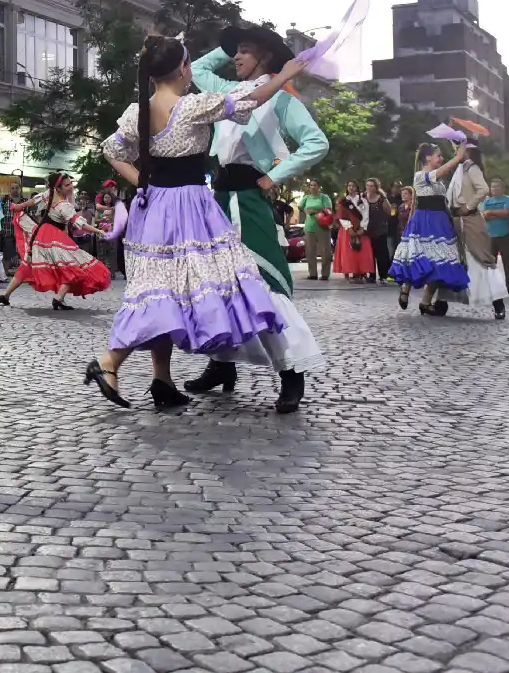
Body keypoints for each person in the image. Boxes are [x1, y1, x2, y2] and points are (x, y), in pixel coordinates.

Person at [86, 35, 309, 411]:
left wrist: (143, 181)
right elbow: (250, 100)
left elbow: (112, 150)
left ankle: (160, 379)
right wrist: (284, 73)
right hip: (190, 204)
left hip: (154, 204)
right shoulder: (191, 107)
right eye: (188, 64)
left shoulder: (137, 110)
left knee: (160, 289)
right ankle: (111, 361)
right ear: (181, 70)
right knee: (217, 277)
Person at [182, 25, 328, 412]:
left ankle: (291, 372)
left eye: (245, 50)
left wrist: (274, 175)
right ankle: (222, 365)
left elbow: (317, 142)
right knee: (217, 284)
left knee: (264, 284)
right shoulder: (228, 91)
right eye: (236, 51)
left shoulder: (280, 97)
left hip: (249, 199)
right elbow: (194, 69)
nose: (236, 56)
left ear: (265, 56)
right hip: (220, 198)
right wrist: (226, 46)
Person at [0, 172, 109, 310]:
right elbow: (80, 224)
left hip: (40, 234)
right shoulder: (64, 205)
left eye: (71, 184)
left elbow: (34, 201)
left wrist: (19, 206)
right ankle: (58, 298)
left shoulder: (49, 194)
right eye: (67, 185)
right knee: (72, 267)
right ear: (58, 188)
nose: (71, 187)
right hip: (54, 238)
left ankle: (6, 295)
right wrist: (99, 231)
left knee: (27, 265)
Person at [389, 142, 470, 315]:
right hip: (424, 220)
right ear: (427, 157)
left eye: (441, 156)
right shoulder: (420, 175)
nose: (441, 158)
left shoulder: (439, 182)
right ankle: (405, 289)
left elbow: (443, 182)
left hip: (439, 221)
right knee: (418, 256)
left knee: (437, 262)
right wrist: (457, 157)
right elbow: (440, 172)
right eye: (438, 155)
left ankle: (425, 302)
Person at [446, 145, 507, 319]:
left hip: (470, 219)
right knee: (454, 259)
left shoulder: (471, 168)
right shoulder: (458, 169)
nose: (455, 151)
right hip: (457, 220)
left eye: (459, 148)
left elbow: (483, 189)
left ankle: (498, 304)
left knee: (481, 258)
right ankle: (442, 302)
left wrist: (468, 206)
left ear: (468, 151)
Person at [333, 181, 374, 283]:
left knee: (361, 251)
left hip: (360, 228)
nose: (351, 188)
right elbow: (341, 216)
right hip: (347, 229)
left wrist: (362, 228)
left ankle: (359, 273)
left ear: (357, 188)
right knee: (348, 252)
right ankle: (347, 273)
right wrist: (349, 227)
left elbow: (366, 215)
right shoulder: (343, 201)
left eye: (353, 186)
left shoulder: (362, 201)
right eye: (349, 186)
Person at [481, 178, 509, 290]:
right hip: (490, 235)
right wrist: (498, 213)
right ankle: (491, 285)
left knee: (507, 261)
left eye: (497, 186)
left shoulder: (508, 199)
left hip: (505, 234)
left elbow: (506, 213)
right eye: (492, 187)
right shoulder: (487, 201)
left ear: (503, 188)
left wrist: (491, 212)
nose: (494, 189)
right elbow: (484, 215)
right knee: (491, 262)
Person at [298, 180, 333, 281]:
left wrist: (314, 211)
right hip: (309, 227)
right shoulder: (306, 198)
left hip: (322, 227)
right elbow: (301, 207)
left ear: (319, 187)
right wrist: (306, 210)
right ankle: (312, 273)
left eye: (315, 185)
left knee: (325, 251)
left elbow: (328, 210)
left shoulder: (324, 197)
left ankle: (325, 274)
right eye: (311, 185)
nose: (313, 187)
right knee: (310, 251)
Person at [362, 179, 392, 284]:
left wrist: (383, 220)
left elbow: (390, 212)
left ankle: (383, 276)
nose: (369, 188)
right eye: (367, 186)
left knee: (381, 254)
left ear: (376, 187)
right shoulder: (363, 198)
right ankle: (371, 275)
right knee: (369, 254)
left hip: (380, 229)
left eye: (371, 186)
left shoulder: (381, 199)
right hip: (367, 230)